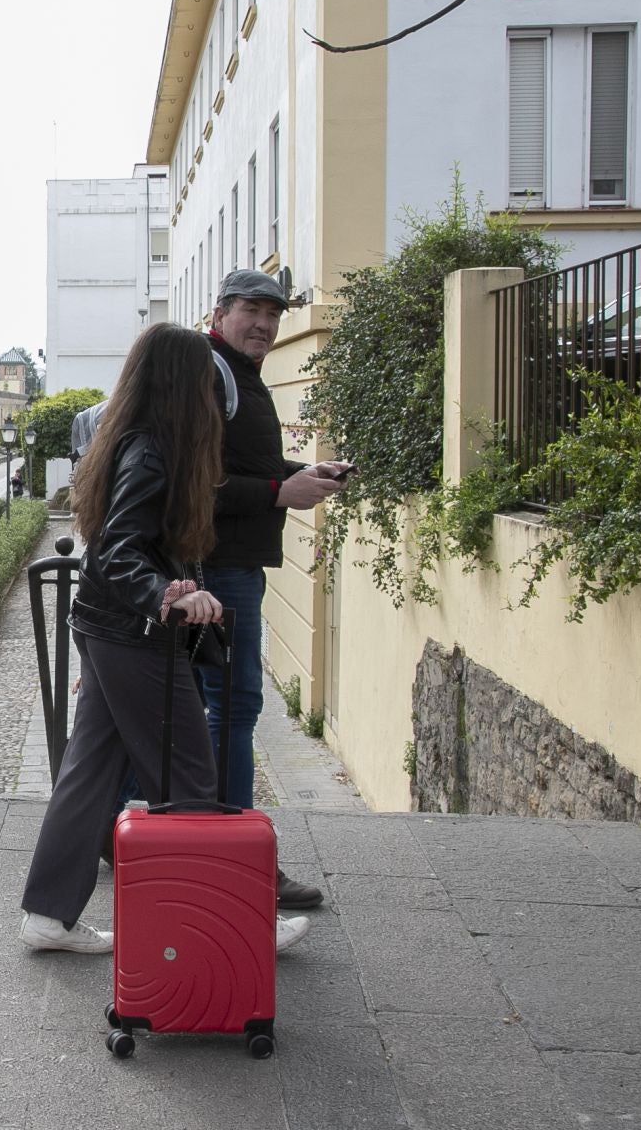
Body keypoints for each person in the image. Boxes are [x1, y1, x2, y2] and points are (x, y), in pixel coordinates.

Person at [17, 324, 311, 955]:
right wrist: (170, 594)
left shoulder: (138, 440)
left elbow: (123, 542)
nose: (217, 396)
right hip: (134, 634)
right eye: (210, 383)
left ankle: (48, 914)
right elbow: (121, 547)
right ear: (187, 384)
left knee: (90, 773)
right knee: (188, 775)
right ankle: (231, 922)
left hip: (106, 627)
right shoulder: (154, 450)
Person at [204, 269, 350, 909]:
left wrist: (298, 474)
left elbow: (243, 468)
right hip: (218, 566)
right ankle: (238, 858)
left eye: (274, 313)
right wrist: (277, 493)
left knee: (197, 707)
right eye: (252, 310)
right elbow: (190, 479)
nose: (265, 323)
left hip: (231, 564)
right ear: (221, 311)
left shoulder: (239, 375)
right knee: (233, 708)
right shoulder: (212, 374)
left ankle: (119, 831)